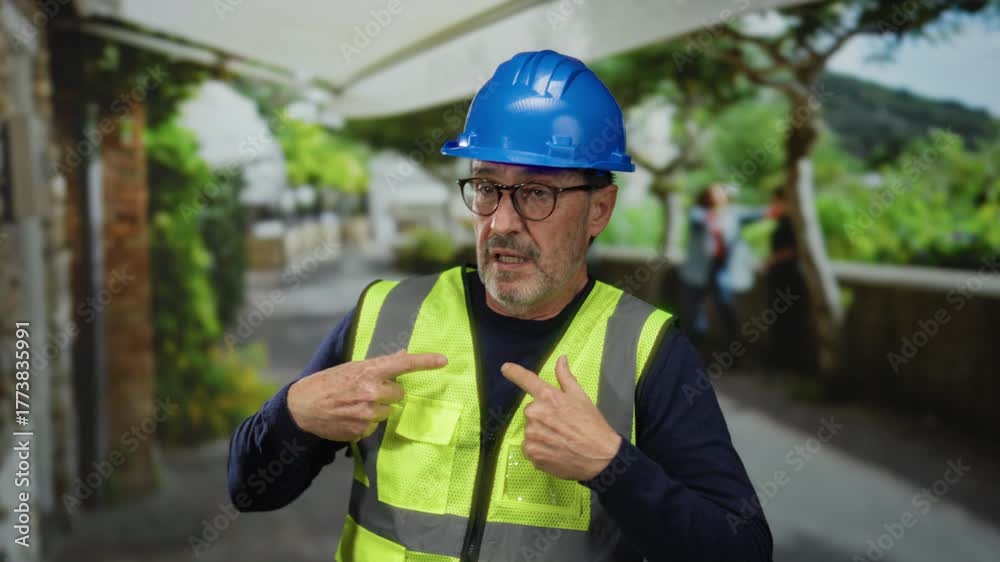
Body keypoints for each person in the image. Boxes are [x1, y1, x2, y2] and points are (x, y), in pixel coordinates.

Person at [228, 50, 772, 562]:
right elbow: (249, 490)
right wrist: (292, 415)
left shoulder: (648, 351)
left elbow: (742, 548)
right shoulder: (385, 314)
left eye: (537, 193)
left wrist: (613, 466)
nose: (502, 222)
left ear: (600, 210)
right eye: (487, 187)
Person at [679, 183, 770, 347]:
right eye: (713, 193)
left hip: (720, 268)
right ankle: (694, 346)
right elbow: (700, 223)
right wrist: (719, 215)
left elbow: (758, 214)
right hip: (698, 271)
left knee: (725, 306)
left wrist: (779, 208)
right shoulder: (698, 213)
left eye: (720, 193)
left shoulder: (733, 214)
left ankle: (733, 345)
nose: (717, 196)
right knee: (693, 311)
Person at [764, 188, 807, 372]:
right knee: (782, 320)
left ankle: (787, 361)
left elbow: (794, 250)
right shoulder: (785, 222)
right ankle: (782, 360)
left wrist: (773, 260)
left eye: (776, 201)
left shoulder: (792, 224)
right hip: (781, 278)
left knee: (788, 321)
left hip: (788, 279)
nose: (773, 205)